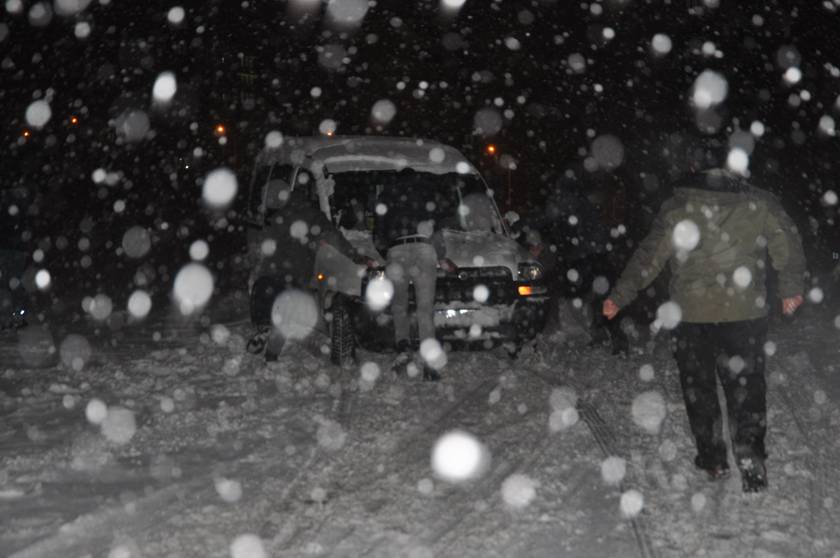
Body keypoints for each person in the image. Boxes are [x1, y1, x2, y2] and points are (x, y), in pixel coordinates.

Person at [602, 142, 806, 492]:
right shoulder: (759, 202)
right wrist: (791, 288)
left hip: (692, 316)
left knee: (700, 390)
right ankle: (751, 462)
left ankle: (713, 460)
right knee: (746, 389)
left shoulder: (679, 205)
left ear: (694, 167)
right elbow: (787, 241)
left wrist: (620, 295)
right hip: (744, 313)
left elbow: (650, 255)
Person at [248, 178, 375, 361]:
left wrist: (261, 267)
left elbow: (267, 250)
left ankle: (268, 340)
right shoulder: (308, 214)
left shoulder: (280, 218)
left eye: (267, 200)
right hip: (295, 274)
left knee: (277, 307)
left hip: (277, 273)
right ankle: (271, 351)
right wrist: (355, 256)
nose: (266, 205)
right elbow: (333, 236)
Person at [376, 171, 456, 381]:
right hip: (424, 248)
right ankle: (430, 363)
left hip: (397, 250)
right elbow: (437, 230)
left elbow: (378, 233)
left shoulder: (386, 195)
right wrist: (441, 257)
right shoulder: (427, 194)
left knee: (399, 305)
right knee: (424, 309)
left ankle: (403, 348)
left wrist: (387, 252)